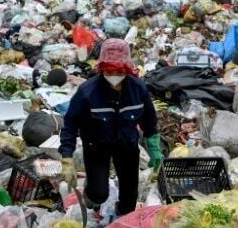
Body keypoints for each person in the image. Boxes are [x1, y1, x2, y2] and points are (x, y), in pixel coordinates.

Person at [59, 38, 162, 215]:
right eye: (109, 70)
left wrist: (154, 148)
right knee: (99, 194)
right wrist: (67, 158)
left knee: (129, 198)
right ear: (102, 68)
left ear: (127, 69)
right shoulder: (87, 92)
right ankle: (90, 195)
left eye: (119, 70)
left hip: (127, 146)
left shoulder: (138, 89)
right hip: (96, 147)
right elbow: (70, 124)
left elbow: (149, 120)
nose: (114, 75)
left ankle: (121, 222)